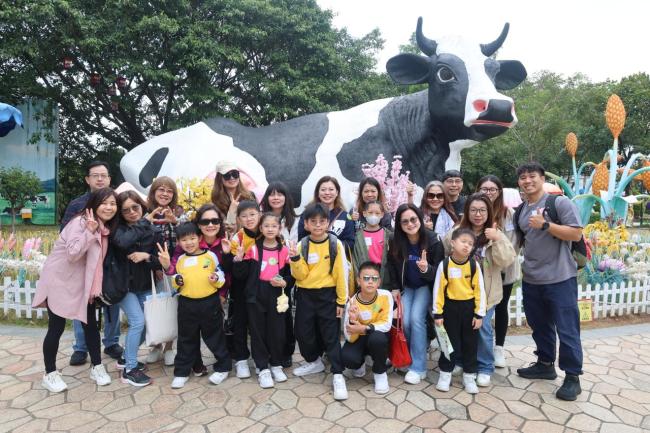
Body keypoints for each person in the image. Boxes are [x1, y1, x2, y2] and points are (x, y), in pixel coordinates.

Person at [34, 188, 119, 392]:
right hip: (60, 281)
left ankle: (97, 367)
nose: (109, 207)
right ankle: (50, 373)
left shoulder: (104, 228)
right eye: (104, 203)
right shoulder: (80, 223)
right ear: (94, 204)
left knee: (90, 325)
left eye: (113, 204)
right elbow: (72, 254)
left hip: (82, 284)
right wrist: (89, 231)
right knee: (56, 327)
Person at [514, 162, 584, 401]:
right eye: (523, 178)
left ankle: (572, 377)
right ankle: (545, 364)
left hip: (560, 278)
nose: (527, 181)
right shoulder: (521, 210)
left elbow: (575, 233)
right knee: (540, 325)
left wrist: (546, 225)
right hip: (532, 279)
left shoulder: (559, 203)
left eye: (532, 176)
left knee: (567, 328)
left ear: (542, 179)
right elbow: (520, 242)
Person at [442, 193, 516, 386]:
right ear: (467, 211)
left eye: (482, 210)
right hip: (460, 292)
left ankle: (484, 367)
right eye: (473, 210)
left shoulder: (495, 233)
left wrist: (497, 239)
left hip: (486, 292)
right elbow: (446, 249)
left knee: (482, 327)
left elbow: (506, 260)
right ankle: (460, 361)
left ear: (489, 212)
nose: (478, 214)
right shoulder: (459, 231)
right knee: (460, 328)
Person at [61, 161, 122, 367]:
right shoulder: (77, 205)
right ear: (87, 179)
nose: (100, 179)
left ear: (109, 179)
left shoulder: (116, 201)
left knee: (111, 303)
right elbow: (65, 233)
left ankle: (111, 342)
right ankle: (81, 347)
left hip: (110, 263)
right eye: (95, 175)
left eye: (104, 175)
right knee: (82, 305)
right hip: (84, 263)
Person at [158, 222, 231, 389]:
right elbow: (175, 279)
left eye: (192, 238)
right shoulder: (180, 260)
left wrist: (216, 278)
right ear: (178, 242)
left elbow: (220, 274)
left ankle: (223, 367)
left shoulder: (210, 256)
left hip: (209, 302)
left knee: (215, 337)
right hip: (187, 304)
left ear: (199, 238)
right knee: (186, 339)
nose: (189, 243)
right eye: (184, 240)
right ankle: (182, 372)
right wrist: (175, 277)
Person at [289, 202, 349, 400]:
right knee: (302, 332)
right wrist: (295, 259)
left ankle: (338, 374)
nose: (317, 225)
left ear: (328, 223)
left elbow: (341, 274)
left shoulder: (335, 244)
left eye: (322, 221)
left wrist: (341, 301)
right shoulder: (302, 245)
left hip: (328, 296)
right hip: (305, 295)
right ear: (306, 224)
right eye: (312, 221)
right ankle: (314, 361)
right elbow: (300, 275)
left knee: (331, 335)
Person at [233, 213, 294, 389]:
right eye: (266, 226)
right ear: (261, 228)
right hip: (256, 294)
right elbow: (241, 275)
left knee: (277, 330)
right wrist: (238, 259)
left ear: (279, 229)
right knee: (257, 331)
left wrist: (285, 282)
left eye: (274, 226)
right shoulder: (253, 249)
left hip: (276, 295)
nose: (270, 229)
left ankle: (276, 364)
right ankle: (262, 368)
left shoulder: (284, 250)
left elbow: (291, 275)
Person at [387, 203, 444, 385]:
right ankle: (411, 356)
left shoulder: (433, 240)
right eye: (405, 221)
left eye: (413, 219)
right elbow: (392, 265)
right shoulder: (396, 241)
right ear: (399, 224)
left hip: (425, 286)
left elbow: (440, 271)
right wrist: (395, 287)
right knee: (404, 321)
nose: (410, 224)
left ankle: (419, 367)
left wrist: (426, 269)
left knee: (416, 319)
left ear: (419, 219)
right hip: (407, 287)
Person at [110, 191, 163, 387]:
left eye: (135, 207)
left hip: (144, 284)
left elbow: (162, 260)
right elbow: (124, 242)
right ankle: (130, 370)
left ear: (142, 206)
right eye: (126, 210)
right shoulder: (117, 230)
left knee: (148, 323)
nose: (132, 212)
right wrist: (144, 221)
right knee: (137, 321)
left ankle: (125, 358)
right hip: (123, 286)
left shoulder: (153, 231)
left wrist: (146, 257)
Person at [476, 175, 521, 368]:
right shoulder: (475, 210)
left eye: (493, 189)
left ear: (499, 192)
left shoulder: (508, 214)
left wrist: (499, 253)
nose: (489, 193)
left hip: (504, 269)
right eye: (484, 189)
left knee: (501, 307)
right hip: (481, 270)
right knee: (480, 309)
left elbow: (515, 242)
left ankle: (499, 348)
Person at [433, 228, 485, 394]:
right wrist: (438, 313)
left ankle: (469, 376)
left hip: (469, 309)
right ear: (453, 243)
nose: (466, 246)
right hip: (450, 308)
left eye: (470, 243)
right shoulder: (444, 265)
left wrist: (479, 314)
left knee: (470, 344)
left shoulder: (474, 265)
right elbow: (438, 290)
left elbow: (480, 291)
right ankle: (445, 374)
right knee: (449, 343)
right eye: (463, 241)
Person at [259, 182, 298, 367]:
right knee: (267, 314)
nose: (276, 198)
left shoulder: (295, 220)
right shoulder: (261, 218)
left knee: (284, 309)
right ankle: (268, 350)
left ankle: (286, 351)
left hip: (287, 266)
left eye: (280, 194)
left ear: (286, 197)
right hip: (266, 268)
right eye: (272, 194)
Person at [342, 261, 393, 395]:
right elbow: (348, 337)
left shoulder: (385, 296)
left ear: (379, 282)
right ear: (358, 281)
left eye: (374, 278)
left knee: (378, 339)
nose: (370, 282)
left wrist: (364, 328)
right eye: (365, 278)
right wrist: (353, 320)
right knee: (347, 358)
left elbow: (386, 324)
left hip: (376, 336)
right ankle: (360, 362)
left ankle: (380, 373)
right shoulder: (352, 302)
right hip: (359, 338)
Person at [225, 200, 262, 379]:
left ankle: (261, 358)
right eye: (244, 216)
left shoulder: (267, 233)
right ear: (239, 219)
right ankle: (241, 359)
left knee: (259, 324)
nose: (249, 219)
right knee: (240, 323)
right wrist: (236, 258)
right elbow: (232, 269)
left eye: (252, 214)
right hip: (240, 288)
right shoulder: (237, 238)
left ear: (260, 215)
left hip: (262, 287)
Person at [145, 176, 180, 366]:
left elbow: (186, 240)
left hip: (174, 269)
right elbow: (141, 240)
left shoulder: (178, 213)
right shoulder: (145, 212)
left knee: (172, 307)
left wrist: (175, 222)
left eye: (169, 191)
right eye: (161, 189)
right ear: (153, 192)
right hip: (151, 270)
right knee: (156, 307)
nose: (165, 194)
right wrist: (156, 267)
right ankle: (156, 345)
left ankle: (169, 347)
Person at [297, 176, 355, 252]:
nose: (327, 193)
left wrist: (330, 246)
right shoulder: (307, 214)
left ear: (337, 193)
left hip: (336, 257)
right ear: (318, 193)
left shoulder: (345, 216)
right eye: (323, 190)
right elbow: (301, 241)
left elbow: (350, 244)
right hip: (312, 257)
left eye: (331, 189)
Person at [352, 201, 392, 291]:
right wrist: (358, 280)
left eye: (377, 213)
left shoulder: (388, 235)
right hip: (365, 278)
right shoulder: (358, 236)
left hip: (384, 279)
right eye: (370, 213)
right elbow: (355, 260)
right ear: (364, 213)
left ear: (382, 214)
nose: (373, 216)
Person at [211, 160, 256, 234]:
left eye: (235, 174)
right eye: (227, 175)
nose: (232, 178)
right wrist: (231, 212)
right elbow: (225, 231)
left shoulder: (250, 196)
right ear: (219, 178)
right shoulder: (216, 201)